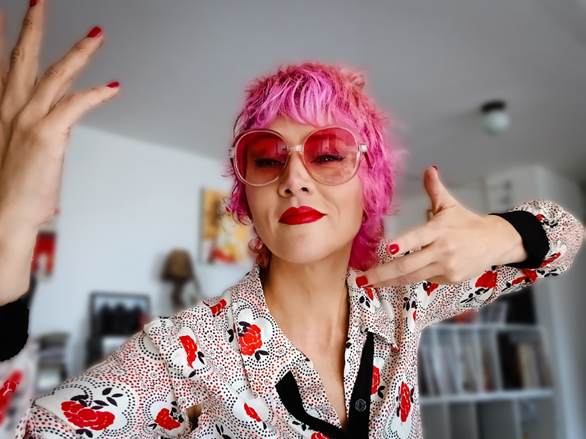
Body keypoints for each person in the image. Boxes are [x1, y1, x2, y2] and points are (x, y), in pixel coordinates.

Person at [0, 1, 583, 438]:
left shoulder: (405, 292)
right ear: (247, 196)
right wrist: (11, 223)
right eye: (267, 158)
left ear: (371, 184)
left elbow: (565, 233)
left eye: (327, 154)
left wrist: (498, 235)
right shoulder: (185, 353)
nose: (295, 178)